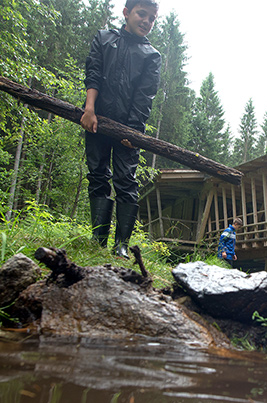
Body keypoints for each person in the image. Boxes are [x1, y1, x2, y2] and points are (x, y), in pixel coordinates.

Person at [80, 0, 162, 259]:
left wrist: (133, 133)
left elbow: (144, 96)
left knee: (126, 180)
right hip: (96, 120)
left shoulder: (152, 56)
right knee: (97, 174)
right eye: (142, 14)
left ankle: (121, 245)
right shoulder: (104, 39)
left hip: (129, 130)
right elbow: (93, 73)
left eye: (152, 18)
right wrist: (89, 109)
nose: (147, 21)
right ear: (127, 12)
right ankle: (98, 239)